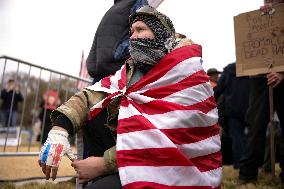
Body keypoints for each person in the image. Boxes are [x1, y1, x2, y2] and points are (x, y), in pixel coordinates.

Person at [38, 5, 221, 188]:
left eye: (140, 29)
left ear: (160, 34)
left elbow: (168, 139)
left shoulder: (189, 75)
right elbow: (90, 96)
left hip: (176, 168)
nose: (132, 36)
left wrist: (104, 164)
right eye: (131, 31)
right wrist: (59, 130)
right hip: (133, 158)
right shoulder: (131, 71)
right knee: (97, 113)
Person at [83, 0, 148, 160]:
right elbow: (143, 36)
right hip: (120, 77)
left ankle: (88, 177)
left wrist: (97, 65)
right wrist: (119, 57)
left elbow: (94, 52)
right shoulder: (136, 3)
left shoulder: (112, 10)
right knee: (113, 136)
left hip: (99, 77)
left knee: (92, 129)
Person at [238, 0, 284, 184]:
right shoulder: (260, 19)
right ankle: (247, 174)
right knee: (255, 126)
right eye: (267, 1)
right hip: (260, 77)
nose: (270, 4)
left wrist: (282, 71)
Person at [214, 63, 250, 169]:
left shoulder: (229, 70)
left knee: (237, 138)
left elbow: (219, 88)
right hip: (251, 107)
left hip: (233, 108)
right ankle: (251, 164)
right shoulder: (252, 68)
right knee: (252, 137)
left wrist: (212, 101)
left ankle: (239, 164)